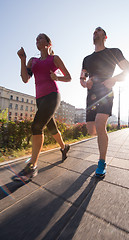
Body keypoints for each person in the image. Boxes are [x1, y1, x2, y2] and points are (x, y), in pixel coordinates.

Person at [12, 33, 71, 182]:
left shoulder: (54, 59)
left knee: (36, 127)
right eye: (36, 39)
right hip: (40, 99)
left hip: (52, 96)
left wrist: (57, 78)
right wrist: (23, 60)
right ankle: (64, 147)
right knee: (52, 128)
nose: (37, 40)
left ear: (48, 43)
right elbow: (25, 79)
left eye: (40, 38)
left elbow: (68, 77)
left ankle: (32, 166)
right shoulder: (33, 61)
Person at [80, 27, 129, 178]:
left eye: (98, 31)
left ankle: (101, 161)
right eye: (94, 32)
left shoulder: (114, 52)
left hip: (106, 92)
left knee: (99, 124)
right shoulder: (86, 59)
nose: (95, 32)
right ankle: (103, 137)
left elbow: (128, 70)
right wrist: (85, 83)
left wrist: (114, 79)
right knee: (92, 130)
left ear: (105, 36)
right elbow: (82, 78)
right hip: (91, 96)